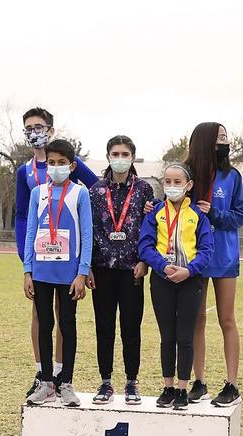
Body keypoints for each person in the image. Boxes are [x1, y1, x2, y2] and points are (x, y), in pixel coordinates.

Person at [14, 107, 99, 396]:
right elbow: (24, 218)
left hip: (69, 265)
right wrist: (27, 263)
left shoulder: (78, 187)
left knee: (66, 321)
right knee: (41, 319)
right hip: (40, 262)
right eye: (29, 127)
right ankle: (44, 376)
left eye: (39, 126)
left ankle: (65, 378)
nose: (33, 132)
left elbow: (97, 190)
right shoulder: (27, 174)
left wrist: (83, 269)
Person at [138, 163, 213, 410]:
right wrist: (162, 267)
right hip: (162, 280)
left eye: (177, 182)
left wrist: (189, 270)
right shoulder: (155, 213)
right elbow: (145, 246)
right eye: (167, 182)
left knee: (185, 337)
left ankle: (183, 388)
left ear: (188, 185)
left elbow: (206, 250)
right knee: (167, 336)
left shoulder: (199, 216)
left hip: (190, 281)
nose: (171, 186)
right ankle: (168, 387)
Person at [185, 122, 243, 407]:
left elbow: (240, 217)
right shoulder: (187, 174)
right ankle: (199, 382)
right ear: (206, 141)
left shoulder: (231, 175)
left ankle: (232, 384)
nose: (225, 142)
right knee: (196, 319)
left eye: (226, 137)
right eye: (220, 137)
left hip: (224, 257)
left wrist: (216, 213)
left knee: (226, 319)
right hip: (194, 257)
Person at [88, 135, 154, 405]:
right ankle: (105, 381)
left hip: (132, 269)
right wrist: (88, 266)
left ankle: (131, 381)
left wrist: (145, 261)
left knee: (131, 327)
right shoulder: (94, 190)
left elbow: (151, 227)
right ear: (108, 157)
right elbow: (88, 229)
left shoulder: (144, 190)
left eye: (125, 154)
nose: (120, 158)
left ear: (132, 157)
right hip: (102, 267)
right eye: (115, 153)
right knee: (104, 327)